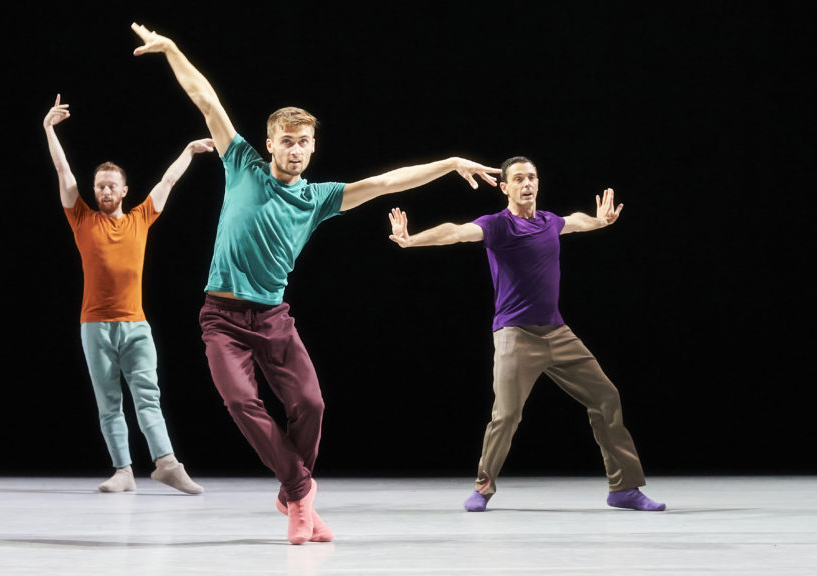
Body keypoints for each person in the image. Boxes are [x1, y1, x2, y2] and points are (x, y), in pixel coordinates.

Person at [129, 22, 501, 544]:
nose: (296, 150)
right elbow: (205, 99)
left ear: (312, 146)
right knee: (240, 401)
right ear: (270, 144)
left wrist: (450, 163)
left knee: (312, 404)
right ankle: (301, 492)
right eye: (287, 141)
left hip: (273, 317)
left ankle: (292, 492)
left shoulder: (318, 197)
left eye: (304, 142)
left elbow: (385, 182)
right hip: (222, 316)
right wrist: (171, 48)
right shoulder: (242, 165)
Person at [387, 156, 666, 512]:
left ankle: (624, 489)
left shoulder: (549, 222)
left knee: (606, 397)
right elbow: (456, 231)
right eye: (518, 178)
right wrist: (413, 240)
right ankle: (483, 488)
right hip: (515, 335)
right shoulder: (498, 226)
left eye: (531, 177)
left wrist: (599, 221)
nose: (526, 183)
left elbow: (575, 222)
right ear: (505, 187)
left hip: (557, 332)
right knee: (506, 415)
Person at [43, 93, 212, 495]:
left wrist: (189, 149)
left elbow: (168, 180)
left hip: (135, 326)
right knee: (109, 403)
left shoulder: (140, 218)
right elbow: (65, 174)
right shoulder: (81, 218)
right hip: (94, 327)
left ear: (123, 190)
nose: (103, 190)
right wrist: (48, 129)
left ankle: (167, 463)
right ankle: (123, 471)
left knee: (147, 396)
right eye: (99, 185)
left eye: (111, 185)